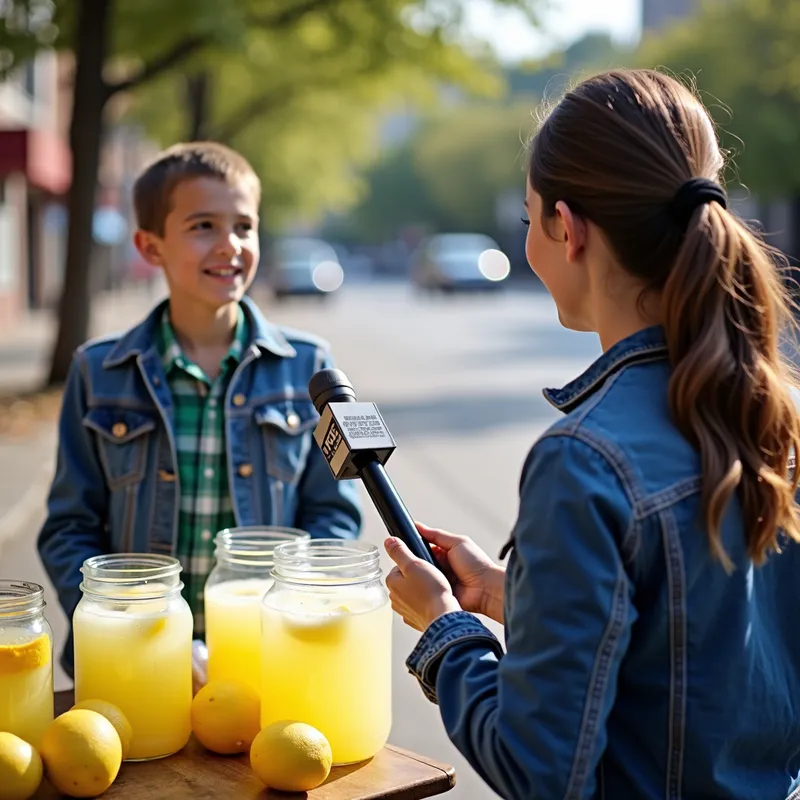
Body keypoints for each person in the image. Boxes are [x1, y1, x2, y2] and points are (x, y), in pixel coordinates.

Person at [383, 69, 800, 800]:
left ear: (567, 229)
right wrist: (513, 594)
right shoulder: (775, 415)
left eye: (527, 219)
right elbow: (705, 647)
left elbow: (541, 770)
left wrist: (444, 627)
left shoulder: (583, 461)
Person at [38, 142, 361, 677]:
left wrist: (296, 611)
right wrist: (127, 626)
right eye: (203, 226)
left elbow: (334, 515)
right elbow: (69, 527)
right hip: (132, 658)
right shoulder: (98, 371)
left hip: (269, 656)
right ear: (151, 246)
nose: (230, 244)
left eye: (244, 226)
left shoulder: (309, 364)